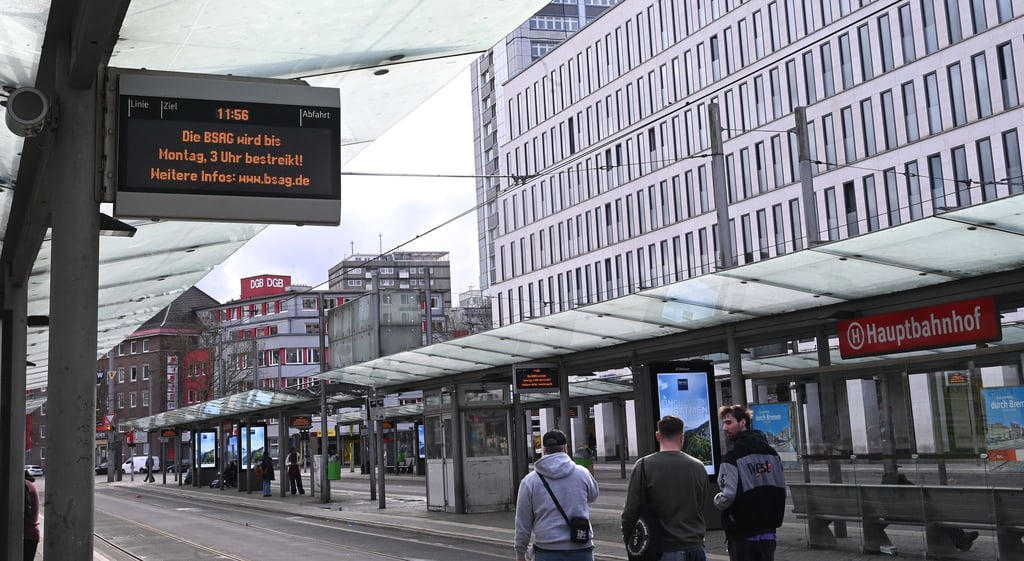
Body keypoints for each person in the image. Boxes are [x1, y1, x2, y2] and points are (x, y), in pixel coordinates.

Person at [621, 415, 708, 561]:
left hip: (662, 549)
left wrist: (630, 542)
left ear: (657, 436)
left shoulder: (643, 466)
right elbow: (701, 505)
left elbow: (630, 513)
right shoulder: (698, 467)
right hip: (696, 548)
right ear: (682, 437)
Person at [714, 405, 786, 561]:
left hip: (742, 534)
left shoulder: (733, 456)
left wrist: (717, 500)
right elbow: (781, 489)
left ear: (743, 422)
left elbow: (728, 496)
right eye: (724, 423)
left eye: (729, 422)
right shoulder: (772, 454)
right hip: (768, 533)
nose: (724, 428)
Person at [515, 429, 599, 561]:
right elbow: (593, 496)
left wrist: (520, 553)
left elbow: (523, 522)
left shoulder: (530, 481)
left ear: (544, 451)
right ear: (566, 449)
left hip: (546, 550)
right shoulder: (582, 474)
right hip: (581, 548)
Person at [880, 472, 979, 551]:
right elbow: (924, 495)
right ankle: (961, 538)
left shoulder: (881, 490)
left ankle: (961, 538)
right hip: (916, 516)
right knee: (936, 517)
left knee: (935, 517)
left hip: (892, 516)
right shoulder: (907, 487)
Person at [25, 469, 40, 561]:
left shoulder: (24, 485)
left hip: (26, 535)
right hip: (30, 535)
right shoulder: (29, 484)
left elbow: (24, 512)